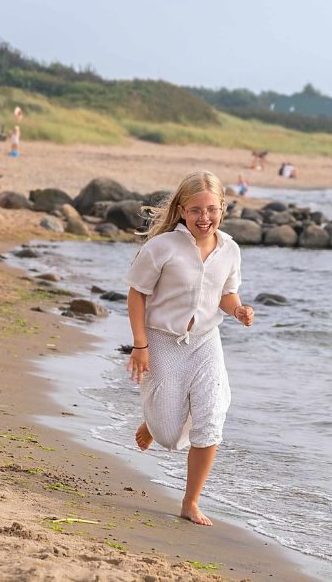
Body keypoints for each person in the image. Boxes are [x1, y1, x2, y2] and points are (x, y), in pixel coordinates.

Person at [125, 171, 254, 526]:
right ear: (182, 210)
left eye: (212, 209)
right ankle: (154, 423)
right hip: (163, 339)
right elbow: (137, 294)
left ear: (223, 209)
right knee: (168, 434)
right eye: (196, 210)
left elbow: (225, 295)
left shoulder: (230, 249)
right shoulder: (162, 247)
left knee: (210, 419)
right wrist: (140, 346)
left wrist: (238, 309)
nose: (205, 218)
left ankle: (190, 501)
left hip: (205, 342)